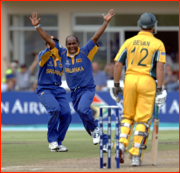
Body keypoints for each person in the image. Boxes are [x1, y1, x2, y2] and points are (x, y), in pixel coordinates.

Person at [30, 9, 115, 152]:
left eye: (74, 43)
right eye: (68, 44)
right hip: (74, 94)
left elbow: (96, 36)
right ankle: (104, 140)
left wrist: (106, 22)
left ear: (78, 43)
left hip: (87, 89)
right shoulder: (61, 55)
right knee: (83, 116)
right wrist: (37, 27)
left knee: (83, 110)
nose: (71, 46)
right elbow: (49, 41)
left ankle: (96, 132)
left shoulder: (85, 51)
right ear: (65, 45)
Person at [110, 13, 167, 166]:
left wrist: (116, 85)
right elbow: (160, 68)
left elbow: (117, 64)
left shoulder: (129, 42)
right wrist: (160, 89)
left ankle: (121, 144)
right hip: (147, 81)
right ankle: (135, 155)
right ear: (153, 26)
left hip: (129, 80)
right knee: (142, 119)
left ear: (139, 25)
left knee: (127, 116)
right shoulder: (158, 43)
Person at [35, 36, 72, 152]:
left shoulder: (60, 58)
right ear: (46, 45)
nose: (53, 45)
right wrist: (51, 48)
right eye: (50, 44)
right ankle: (52, 141)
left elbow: (71, 71)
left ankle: (58, 143)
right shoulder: (43, 55)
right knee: (55, 109)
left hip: (58, 89)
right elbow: (45, 54)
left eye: (55, 43)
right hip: (44, 89)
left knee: (67, 114)